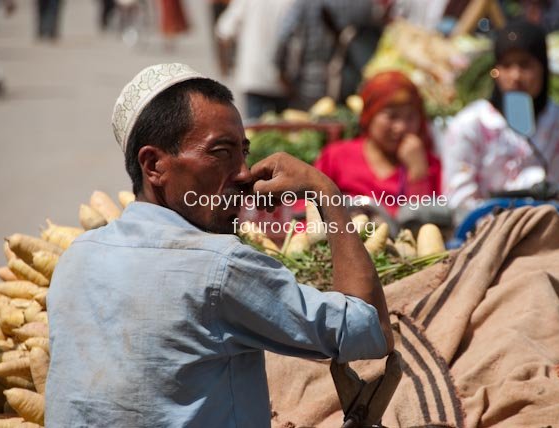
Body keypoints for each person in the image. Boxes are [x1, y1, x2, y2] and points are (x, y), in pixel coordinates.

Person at [45, 63, 393, 427]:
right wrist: (326, 192)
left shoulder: (75, 257)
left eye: (243, 152)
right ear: (153, 166)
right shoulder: (219, 268)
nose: (243, 173)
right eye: (221, 152)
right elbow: (371, 332)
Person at [442, 20, 559, 223]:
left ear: (544, 68)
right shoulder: (470, 125)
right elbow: (460, 200)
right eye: (506, 65)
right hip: (484, 235)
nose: (515, 76)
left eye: (525, 64)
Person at [314, 71, 442, 220]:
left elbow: (430, 225)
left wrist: (418, 174)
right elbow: (307, 211)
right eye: (391, 116)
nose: (401, 127)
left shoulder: (429, 165)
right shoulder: (336, 156)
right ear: (369, 115)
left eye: (411, 117)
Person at [215, 0, 293, 119]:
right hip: (282, 80)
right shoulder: (291, 3)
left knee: (255, 129)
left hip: (253, 76)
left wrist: (224, 66)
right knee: (285, 129)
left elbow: (224, 31)